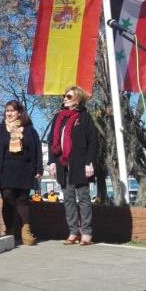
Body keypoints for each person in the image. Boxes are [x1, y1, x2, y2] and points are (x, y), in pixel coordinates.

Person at [47, 86, 98, 246]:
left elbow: (93, 142)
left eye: (68, 96)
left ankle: (87, 232)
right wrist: (52, 162)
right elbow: (51, 141)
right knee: (68, 198)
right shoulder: (59, 117)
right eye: (65, 96)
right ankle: (73, 232)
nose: (65, 98)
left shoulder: (84, 117)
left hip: (80, 164)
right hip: (62, 164)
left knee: (83, 197)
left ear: (77, 99)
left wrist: (90, 162)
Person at [0, 100, 43, 246]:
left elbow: (37, 150)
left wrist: (39, 169)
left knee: (22, 200)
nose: (9, 113)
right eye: (7, 111)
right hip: (4, 170)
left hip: (25, 169)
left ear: (19, 112)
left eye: (12, 110)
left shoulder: (30, 130)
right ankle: (9, 230)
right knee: (7, 199)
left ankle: (25, 231)